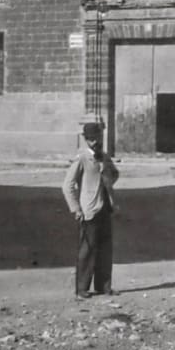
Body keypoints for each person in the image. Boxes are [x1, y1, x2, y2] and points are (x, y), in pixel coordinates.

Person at [62, 122, 119, 299]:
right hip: (89, 210)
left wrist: (108, 181)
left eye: (97, 138)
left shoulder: (104, 157)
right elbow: (67, 185)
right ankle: (81, 289)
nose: (95, 142)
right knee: (87, 250)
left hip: (105, 208)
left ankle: (104, 286)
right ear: (86, 140)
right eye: (91, 139)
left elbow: (115, 173)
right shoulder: (82, 158)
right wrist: (76, 209)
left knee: (105, 249)